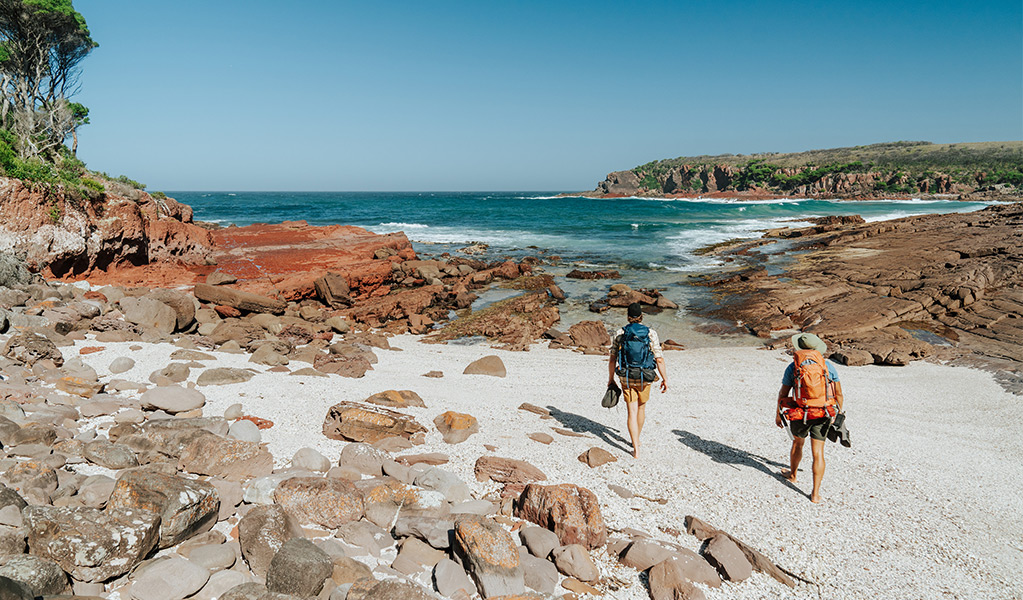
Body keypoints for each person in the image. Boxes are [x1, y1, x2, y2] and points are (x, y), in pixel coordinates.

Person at [775, 332, 844, 503]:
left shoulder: (794, 367)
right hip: (823, 413)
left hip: (800, 412)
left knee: (798, 443)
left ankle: (793, 475)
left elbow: (783, 393)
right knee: (818, 453)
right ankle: (815, 494)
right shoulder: (827, 366)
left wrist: (778, 414)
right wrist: (838, 413)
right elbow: (839, 393)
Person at [608, 302, 668, 458]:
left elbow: (612, 358)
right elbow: (659, 359)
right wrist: (664, 379)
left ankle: (636, 448)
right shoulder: (650, 333)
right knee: (641, 409)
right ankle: (638, 440)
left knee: (631, 411)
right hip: (644, 377)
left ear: (628, 317)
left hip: (626, 376)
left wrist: (610, 379)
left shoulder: (620, 333)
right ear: (641, 316)